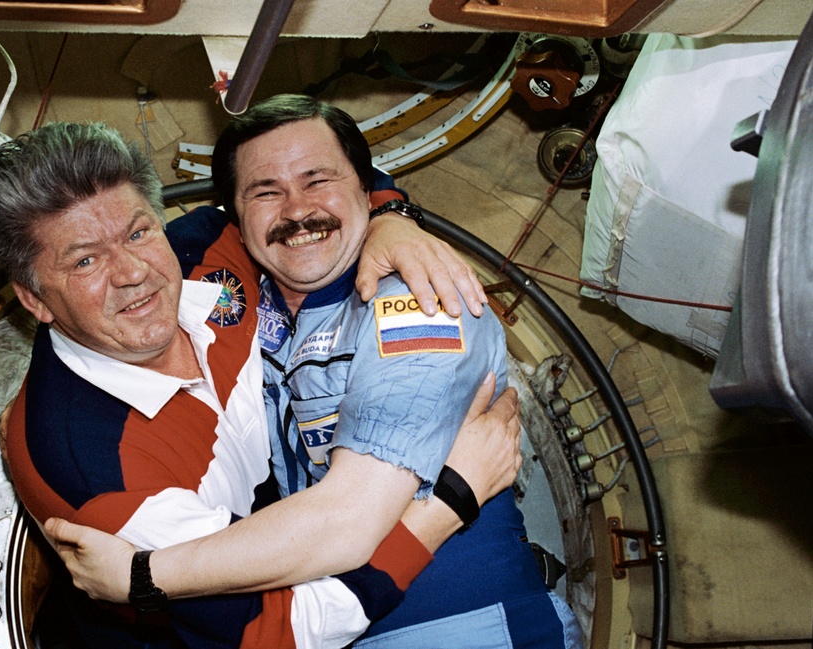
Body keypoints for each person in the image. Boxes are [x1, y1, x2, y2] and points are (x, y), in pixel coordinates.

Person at [41, 96, 583, 648]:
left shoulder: (421, 300)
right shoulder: (246, 293)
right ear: (235, 213)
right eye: (266, 192)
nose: (297, 210)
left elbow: (347, 521)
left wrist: (141, 577)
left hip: (465, 627)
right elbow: (76, 274)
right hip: (340, 621)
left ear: (363, 190)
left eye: (318, 180)